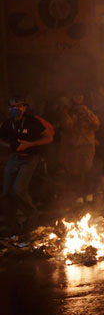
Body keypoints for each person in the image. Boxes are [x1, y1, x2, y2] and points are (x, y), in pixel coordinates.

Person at [0, 95, 54, 234]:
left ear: (24, 107)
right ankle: (13, 226)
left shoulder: (32, 122)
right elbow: (2, 138)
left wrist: (30, 144)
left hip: (30, 158)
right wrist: (11, 145)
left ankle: (32, 215)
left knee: (18, 190)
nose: (15, 109)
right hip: (14, 158)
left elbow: (49, 137)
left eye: (18, 106)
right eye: (12, 106)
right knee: (6, 193)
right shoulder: (8, 122)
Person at [59, 92, 100, 204]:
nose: (78, 99)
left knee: (87, 170)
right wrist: (66, 112)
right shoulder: (68, 112)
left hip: (87, 146)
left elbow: (96, 124)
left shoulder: (87, 111)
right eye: (76, 97)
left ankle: (89, 194)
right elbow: (67, 125)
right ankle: (78, 196)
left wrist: (86, 115)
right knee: (75, 171)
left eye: (80, 97)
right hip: (74, 147)